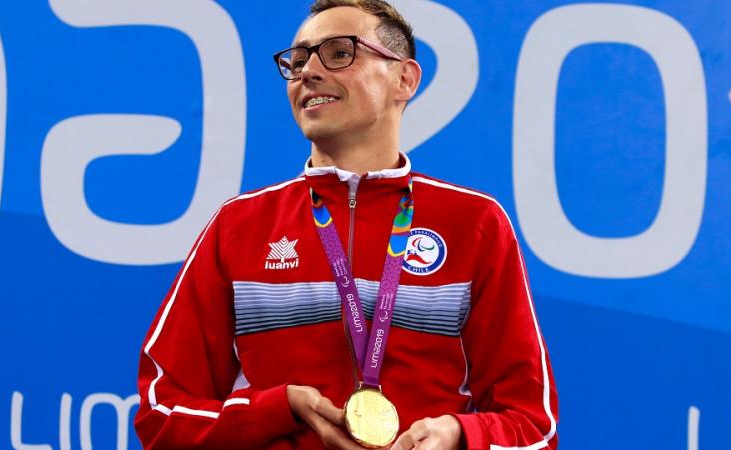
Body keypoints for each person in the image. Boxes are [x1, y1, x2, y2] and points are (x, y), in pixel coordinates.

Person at [134, 1, 559, 449]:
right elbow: (161, 414)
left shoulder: (473, 222)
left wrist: (460, 434)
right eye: (298, 61)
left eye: (339, 53)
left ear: (404, 78)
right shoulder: (239, 225)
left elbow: (533, 424)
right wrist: (277, 409)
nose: (308, 72)